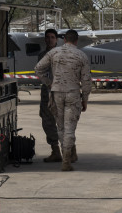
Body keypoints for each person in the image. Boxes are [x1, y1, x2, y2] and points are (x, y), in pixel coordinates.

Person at [34, 29, 91, 172]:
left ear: (64, 39)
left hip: (56, 94)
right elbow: (86, 81)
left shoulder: (53, 53)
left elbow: (38, 69)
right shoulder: (81, 55)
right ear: (76, 41)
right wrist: (85, 99)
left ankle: (65, 156)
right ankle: (66, 160)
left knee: (60, 128)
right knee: (69, 128)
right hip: (73, 94)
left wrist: (49, 83)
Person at [36, 29, 62, 163]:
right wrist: (48, 83)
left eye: (52, 37)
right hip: (47, 92)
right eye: (47, 37)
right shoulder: (42, 55)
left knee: (64, 121)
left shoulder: (62, 54)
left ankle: (70, 151)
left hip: (61, 91)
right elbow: (40, 72)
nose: (50, 39)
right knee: (47, 121)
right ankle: (55, 150)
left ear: (56, 39)